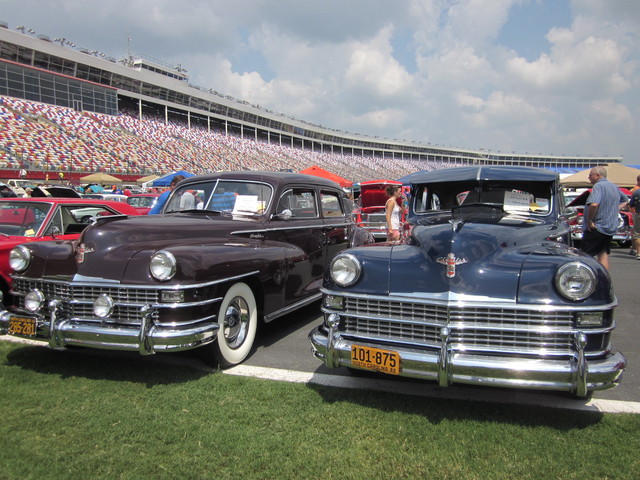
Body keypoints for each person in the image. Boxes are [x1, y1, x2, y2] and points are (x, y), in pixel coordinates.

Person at [581, 166, 628, 270]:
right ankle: (604, 278)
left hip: (597, 227)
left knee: (585, 256)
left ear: (597, 176)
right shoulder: (614, 186)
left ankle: (587, 278)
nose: (589, 178)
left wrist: (589, 220)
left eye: (590, 175)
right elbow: (625, 200)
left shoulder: (599, 186)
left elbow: (594, 204)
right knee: (603, 254)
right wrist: (615, 208)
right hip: (609, 227)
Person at [629, 174, 640, 260]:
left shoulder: (636, 191)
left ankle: (638, 252)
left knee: (637, 234)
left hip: (638, 213)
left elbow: (631, 204)